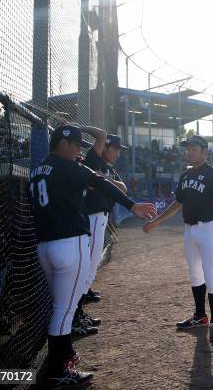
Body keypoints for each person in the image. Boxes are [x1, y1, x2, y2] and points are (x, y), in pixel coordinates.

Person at [30, 125, 156, 388]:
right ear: (63, 143)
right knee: (63, 311)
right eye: (75, 144)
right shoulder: (68, 167)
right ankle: (58, 372)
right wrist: (132, 205)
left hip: (44, 247)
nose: (78, 150)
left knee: (61, 307)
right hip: (69, 244)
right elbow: (99, 182)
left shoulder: (38, 169)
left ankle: (65, 358)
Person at [143, 135, 213, 342]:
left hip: (208, 228)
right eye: (188, 149)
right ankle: (200, 317)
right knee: (194, 274)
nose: (189, 152)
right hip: (189, 229)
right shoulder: (185, 176)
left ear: (204, 151)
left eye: (193, 149)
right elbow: (178, 203)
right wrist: (157, 221)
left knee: (210, 274)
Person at [72, 133, 128, 335]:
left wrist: (103, 178)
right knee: (87, 269)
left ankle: (78, 315)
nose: (118, 154)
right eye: (116, 149)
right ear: (106, 148)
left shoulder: (107, 168)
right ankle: (75, 319)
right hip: (92, 217)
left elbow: (123, 188)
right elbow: (101, 137)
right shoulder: (94, 159)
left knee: (91, 268)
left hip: (100, 218)